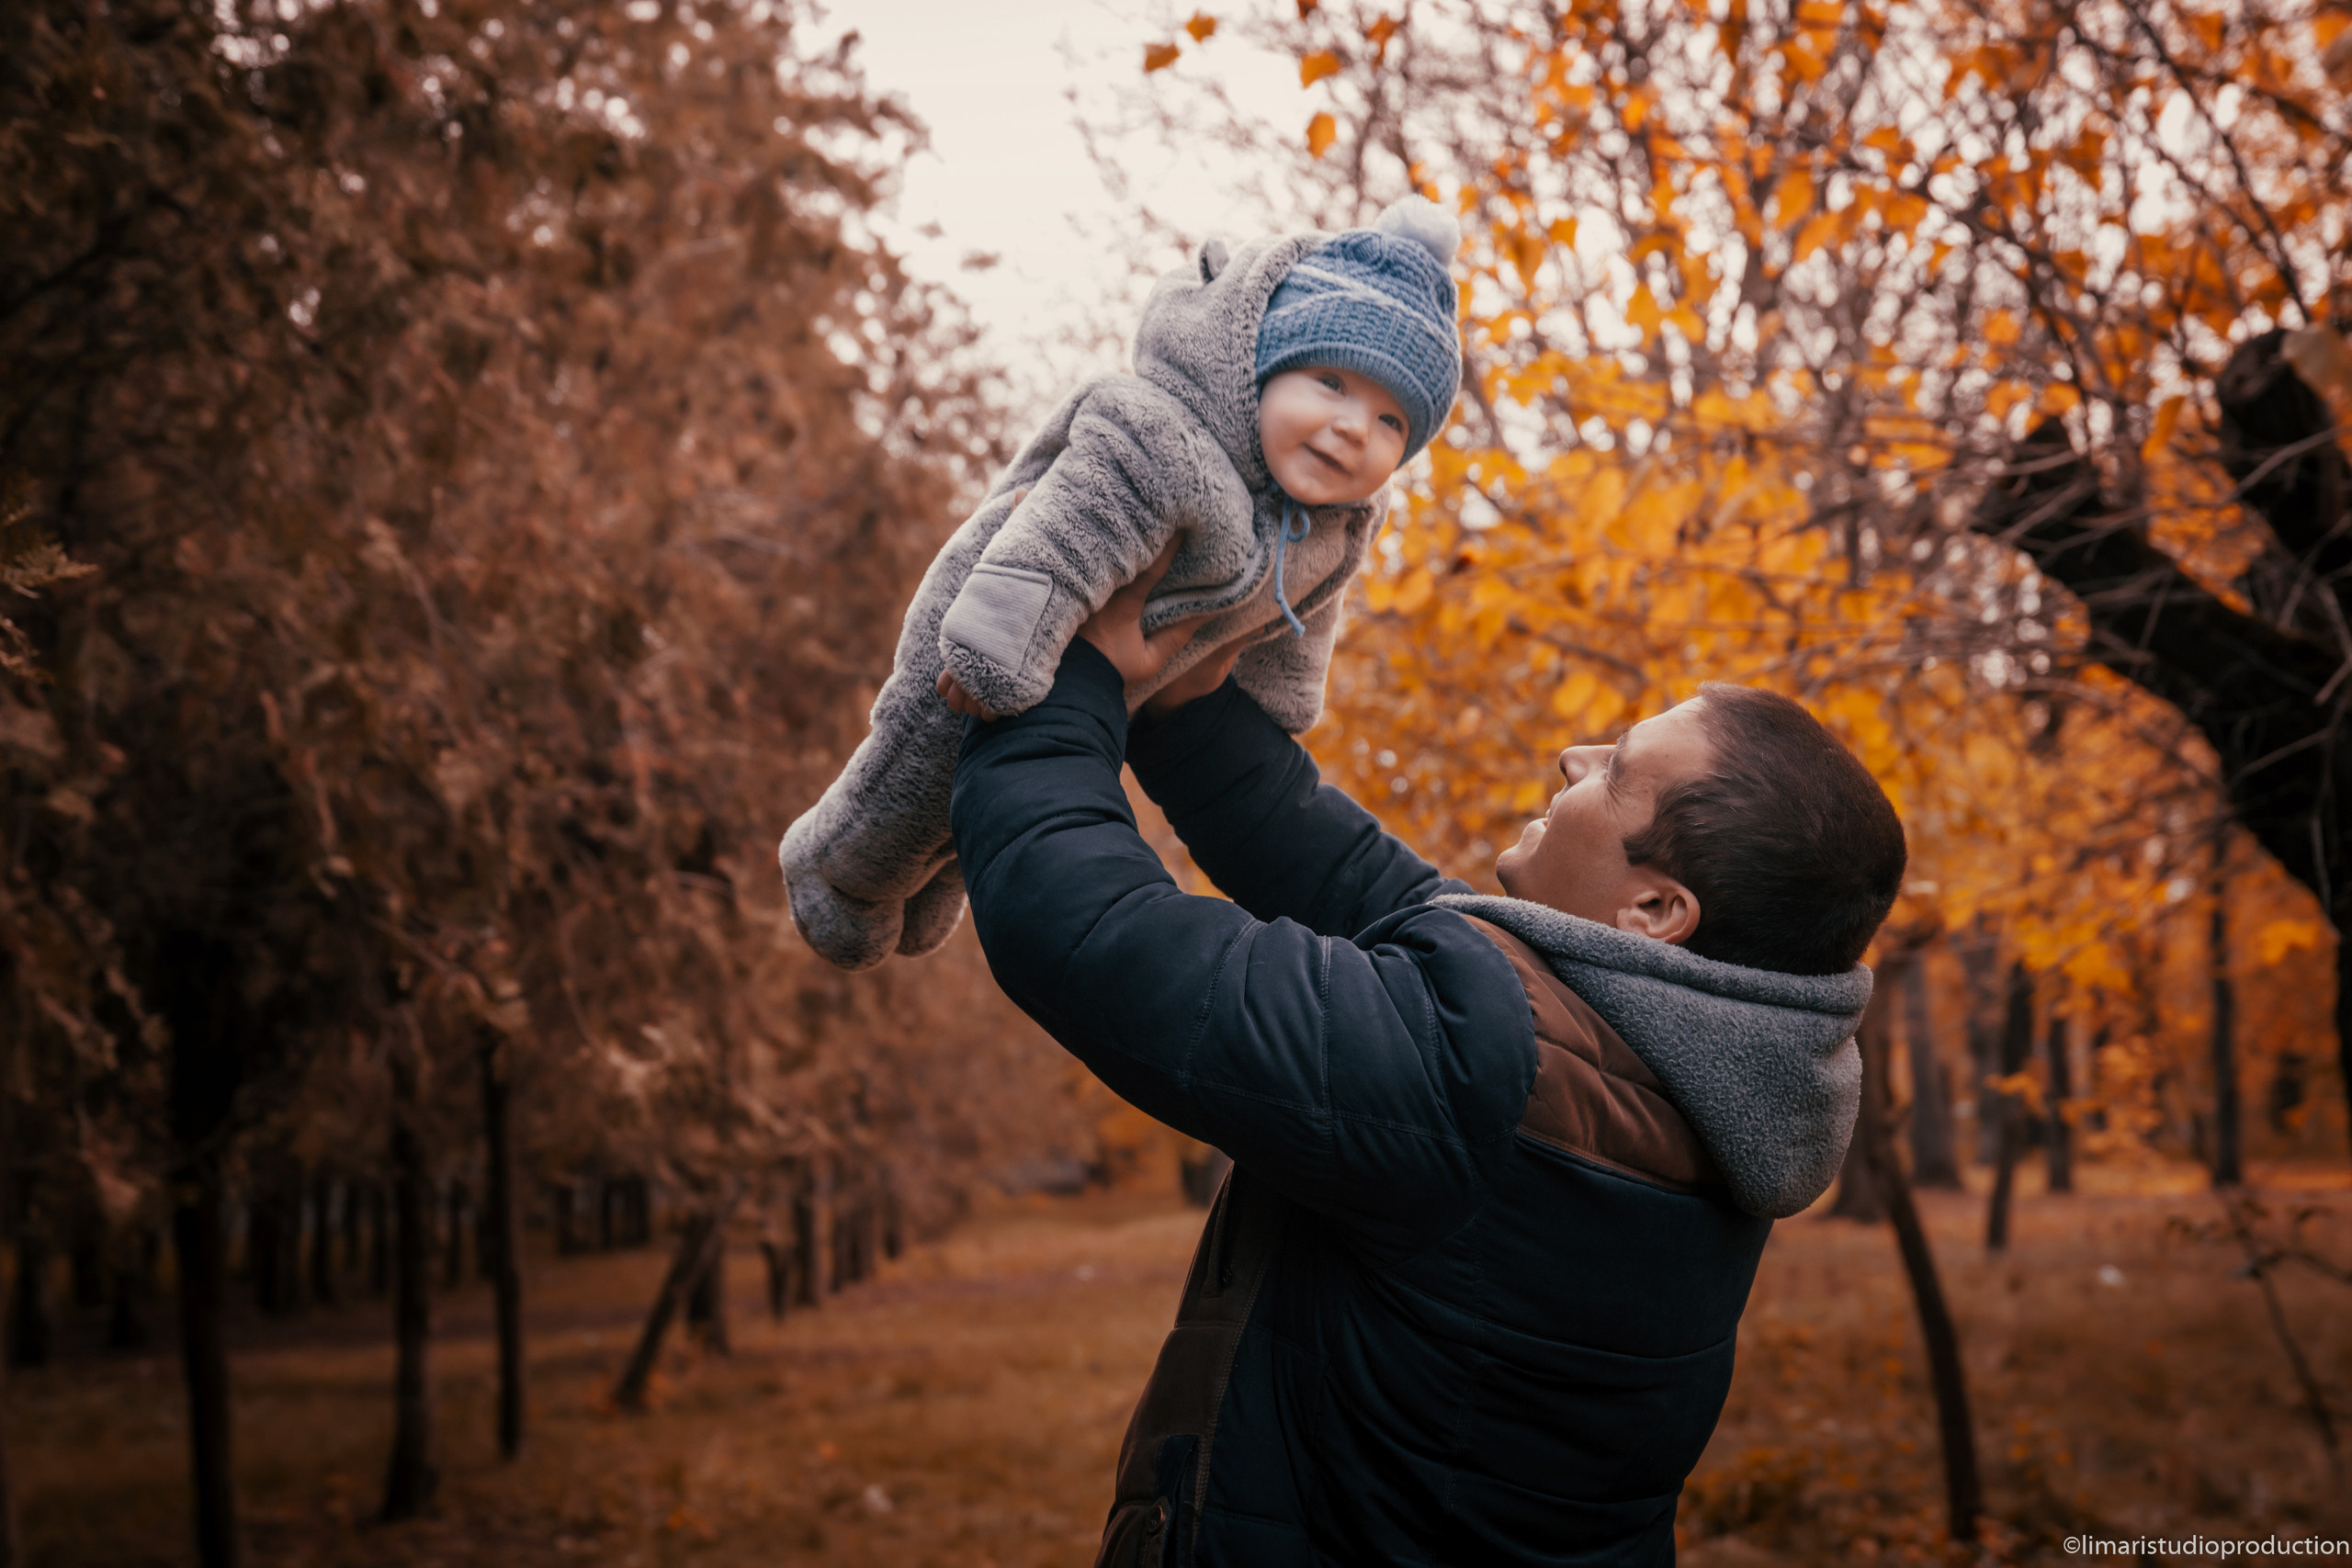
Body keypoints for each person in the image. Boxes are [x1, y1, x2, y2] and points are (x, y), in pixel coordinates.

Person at [949, 554, 1907, 1567]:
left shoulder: (1487, 1074)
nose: (1572, 755)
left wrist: (1058, 677)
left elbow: (1091, 936)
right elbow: (1362, 884)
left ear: (1657, 911)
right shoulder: (1699, 1081)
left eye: (1617, 770)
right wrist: (1183, 709)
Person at [779, 196, 1462, 973]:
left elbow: (1299, 619)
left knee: (972, 823)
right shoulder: (1162, 439)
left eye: (1390, 423)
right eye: (1331, 382)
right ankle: (835, 872)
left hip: (1108, 696)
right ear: (1263, 367)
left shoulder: (1333, 525)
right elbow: (1060, 532)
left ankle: (931, 882)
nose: (1353, 428)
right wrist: (994, 650)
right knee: (912, 781)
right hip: (988, 631)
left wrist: (1277, 709)